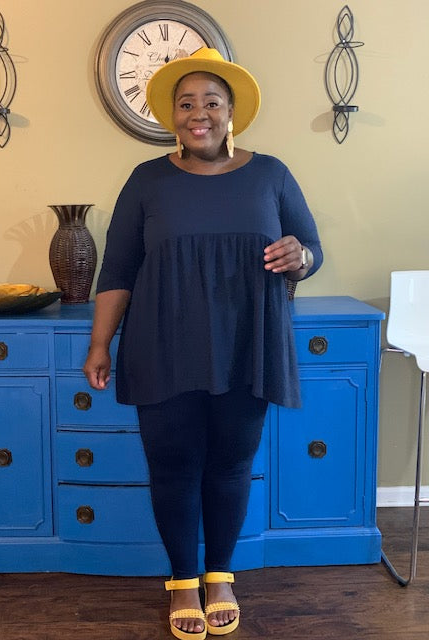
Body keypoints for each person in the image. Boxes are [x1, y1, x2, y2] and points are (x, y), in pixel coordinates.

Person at [83, 47, 323, 640]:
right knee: (173, 467)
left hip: (246, 345)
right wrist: (99, 345)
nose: (199, 114)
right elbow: (117, 270)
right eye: (186, 103)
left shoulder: (271, 174)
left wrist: (300, 256)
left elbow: (310, 250)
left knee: (231, 465)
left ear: (231, 111)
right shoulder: (148, 180)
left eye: (211, 102)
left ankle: (220, 575)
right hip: (161, 345)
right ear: (173, 116)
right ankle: (182, 581)